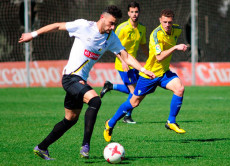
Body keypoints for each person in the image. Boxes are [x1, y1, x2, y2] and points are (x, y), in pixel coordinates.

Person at [18, 5, 155, 160]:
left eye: (115, 24)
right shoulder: (84, 26)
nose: (112, 27)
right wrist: (33, 34)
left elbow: (126, 55)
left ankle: (42, 147)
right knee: (95, 100)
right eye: (111, 23)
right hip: (70, 77)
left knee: (70, 119)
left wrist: (142, 70)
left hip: (79, 81)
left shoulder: (111, 38)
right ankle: (86, 146)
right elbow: (57, 25)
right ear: (102, 18)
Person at [103, 9, 188, 142]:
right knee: (134, 102)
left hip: (164, 72)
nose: (167, 25)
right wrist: (175, 47)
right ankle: (110, 123)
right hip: (150, 75)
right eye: (164, 22)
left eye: (169, 22)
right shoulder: (156, 35)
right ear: (160, 20)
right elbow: (159, 57)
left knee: (180, 89)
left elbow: (184, 29)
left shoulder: (177, 29)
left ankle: (171, 121)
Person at [100, 1, 148, 124]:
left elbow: (143, 45)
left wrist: (150, 59)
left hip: (134, 64)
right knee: (135, 92)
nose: (134, 14)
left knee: (136, 90)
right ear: (128, 13)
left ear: (139, 12)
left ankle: (110, 86)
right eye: (132, 12)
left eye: (136, 11)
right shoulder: (121, 28)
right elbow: (113, 46)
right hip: (123, 65)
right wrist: (123, 61)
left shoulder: (142, 28)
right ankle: (127, 116)